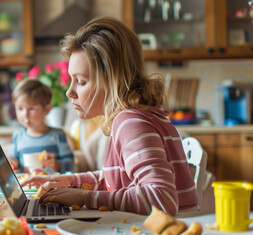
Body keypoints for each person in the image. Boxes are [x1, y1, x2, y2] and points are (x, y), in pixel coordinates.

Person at [21, 16, 198, 216]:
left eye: (81, 81)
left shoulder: (131, 123)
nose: (69, 92)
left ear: (112, 81)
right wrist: (70, 181)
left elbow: (161, 199)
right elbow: (115, 178)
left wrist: (84, 198)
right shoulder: (136, 117)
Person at [8, 79, 74, 173]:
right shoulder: (17, 136)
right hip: (26, 185)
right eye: (20, 108)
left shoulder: (58, 135)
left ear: (47, 109)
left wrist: (57, 165)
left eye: (31, 109)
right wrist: (12, 163)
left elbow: (71, 164)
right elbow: (12, 159)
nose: (25, 114)